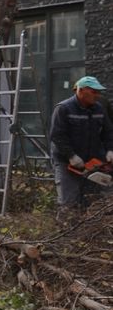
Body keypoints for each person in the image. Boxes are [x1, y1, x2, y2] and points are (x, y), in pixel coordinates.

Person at [49, 76, 113, 210]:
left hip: (91, 162)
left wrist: (109, 150)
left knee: (92, 201)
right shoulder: (63, 108)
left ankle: (88, 230)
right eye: (94, 92)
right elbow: (57, 136)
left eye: (98, 92)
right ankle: (66, 229)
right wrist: (71, 155)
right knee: (69, 202)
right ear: (81, 90)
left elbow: (108, 132)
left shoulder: (99, 109)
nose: (97, 95)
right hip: (67, 162)